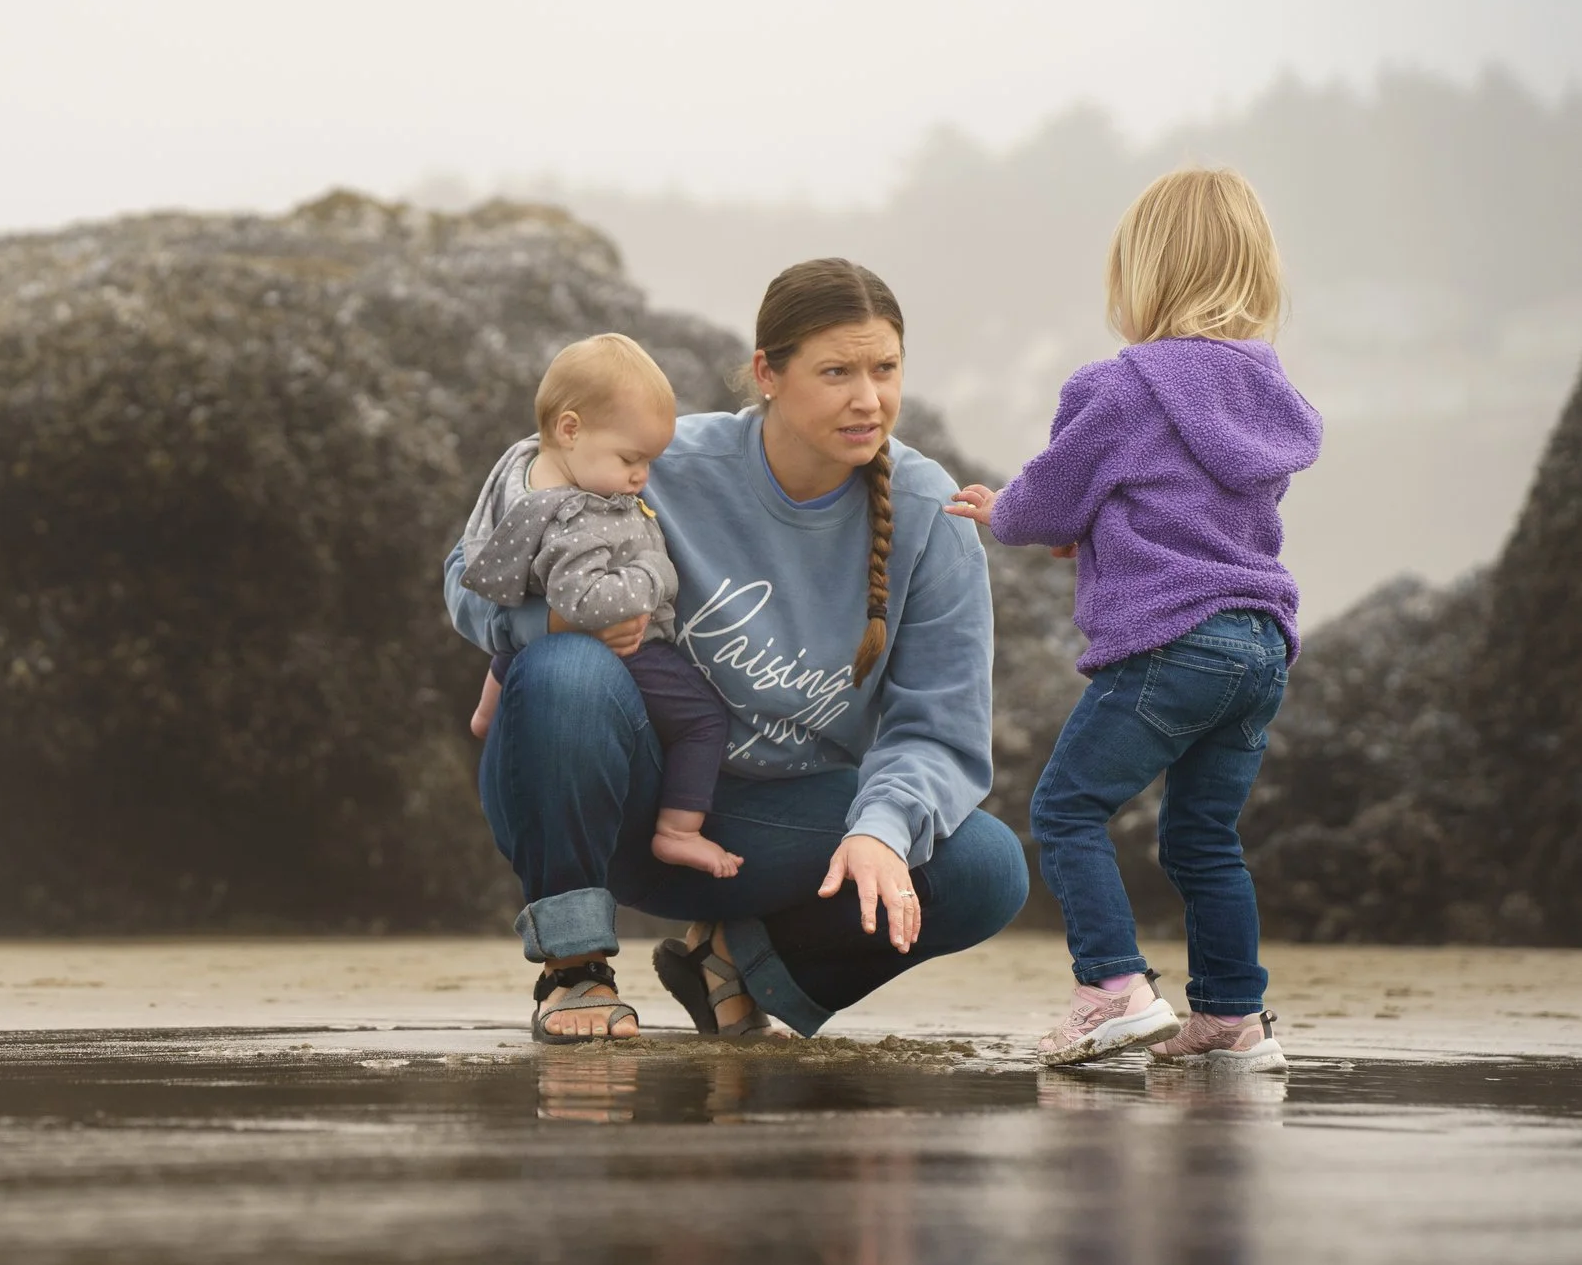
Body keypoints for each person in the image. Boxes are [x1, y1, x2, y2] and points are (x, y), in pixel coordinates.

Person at [445, 259, 1028, 1043]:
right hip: (607, 798)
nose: (868, 397)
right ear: (767, 373)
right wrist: (548, 626)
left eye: (885, 368)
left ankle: (737, 963)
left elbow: (941, 731)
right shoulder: (652, 461)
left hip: (771, 832)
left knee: (984, 868)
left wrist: (880, 828)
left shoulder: (931, 512)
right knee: (567, 668)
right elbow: (471, 577)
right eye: (836, 371)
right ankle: (574, 968)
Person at [945, 167, 1320, 1071]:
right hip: (1259, 645)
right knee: (1202, 836)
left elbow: (1049, 496)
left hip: (1171, 642)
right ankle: (1232, 1018)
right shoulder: (1264, 394)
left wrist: (1004, 512)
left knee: (1068, 808)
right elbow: (1191, 509)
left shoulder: (1124, 387)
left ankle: (1112, 988)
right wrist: (1108, 533)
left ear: (1141, 275)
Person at [461, 334, 742, 888]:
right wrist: (657, 575)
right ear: (570, 429)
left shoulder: (520, 468)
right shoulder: (580, 514)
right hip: (622, 647)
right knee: (705, 719)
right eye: (631, 459)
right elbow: (584, 604)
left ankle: (490, 713)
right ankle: (679, 830)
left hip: (524, 655)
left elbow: (492, 575)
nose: (642, 478)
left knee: (518, 644)